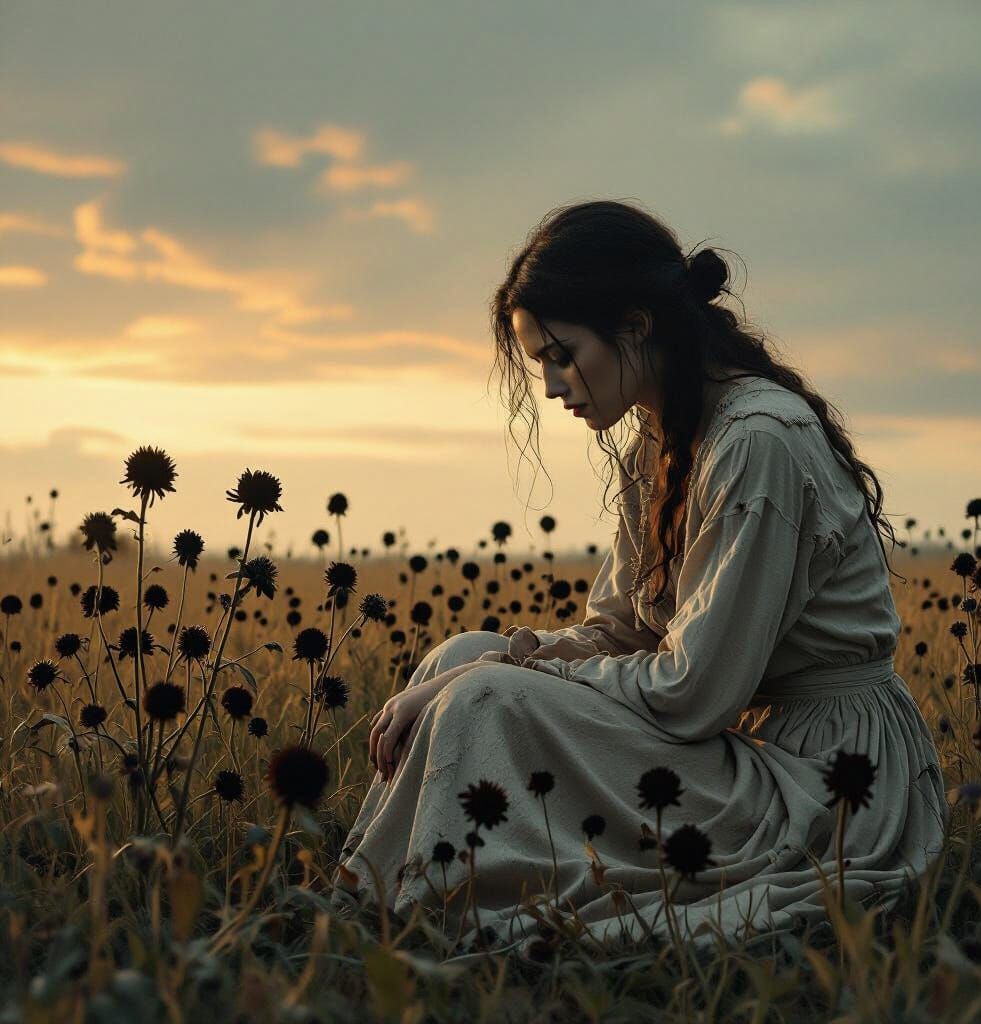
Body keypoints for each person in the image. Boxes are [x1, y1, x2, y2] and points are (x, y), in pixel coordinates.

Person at [332, 199, 947, 959]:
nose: (554, 385)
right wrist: (491, 659)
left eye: (562, 354)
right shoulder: (657, 443)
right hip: (737, 745)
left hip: (829, 779)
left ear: (634, 326)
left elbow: (694, 693)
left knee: (481, 692)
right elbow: (623, 630)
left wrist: (503, 673)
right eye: (540, 364)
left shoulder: (757, 443)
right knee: (458, 659)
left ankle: (425, 911)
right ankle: (384, 901)